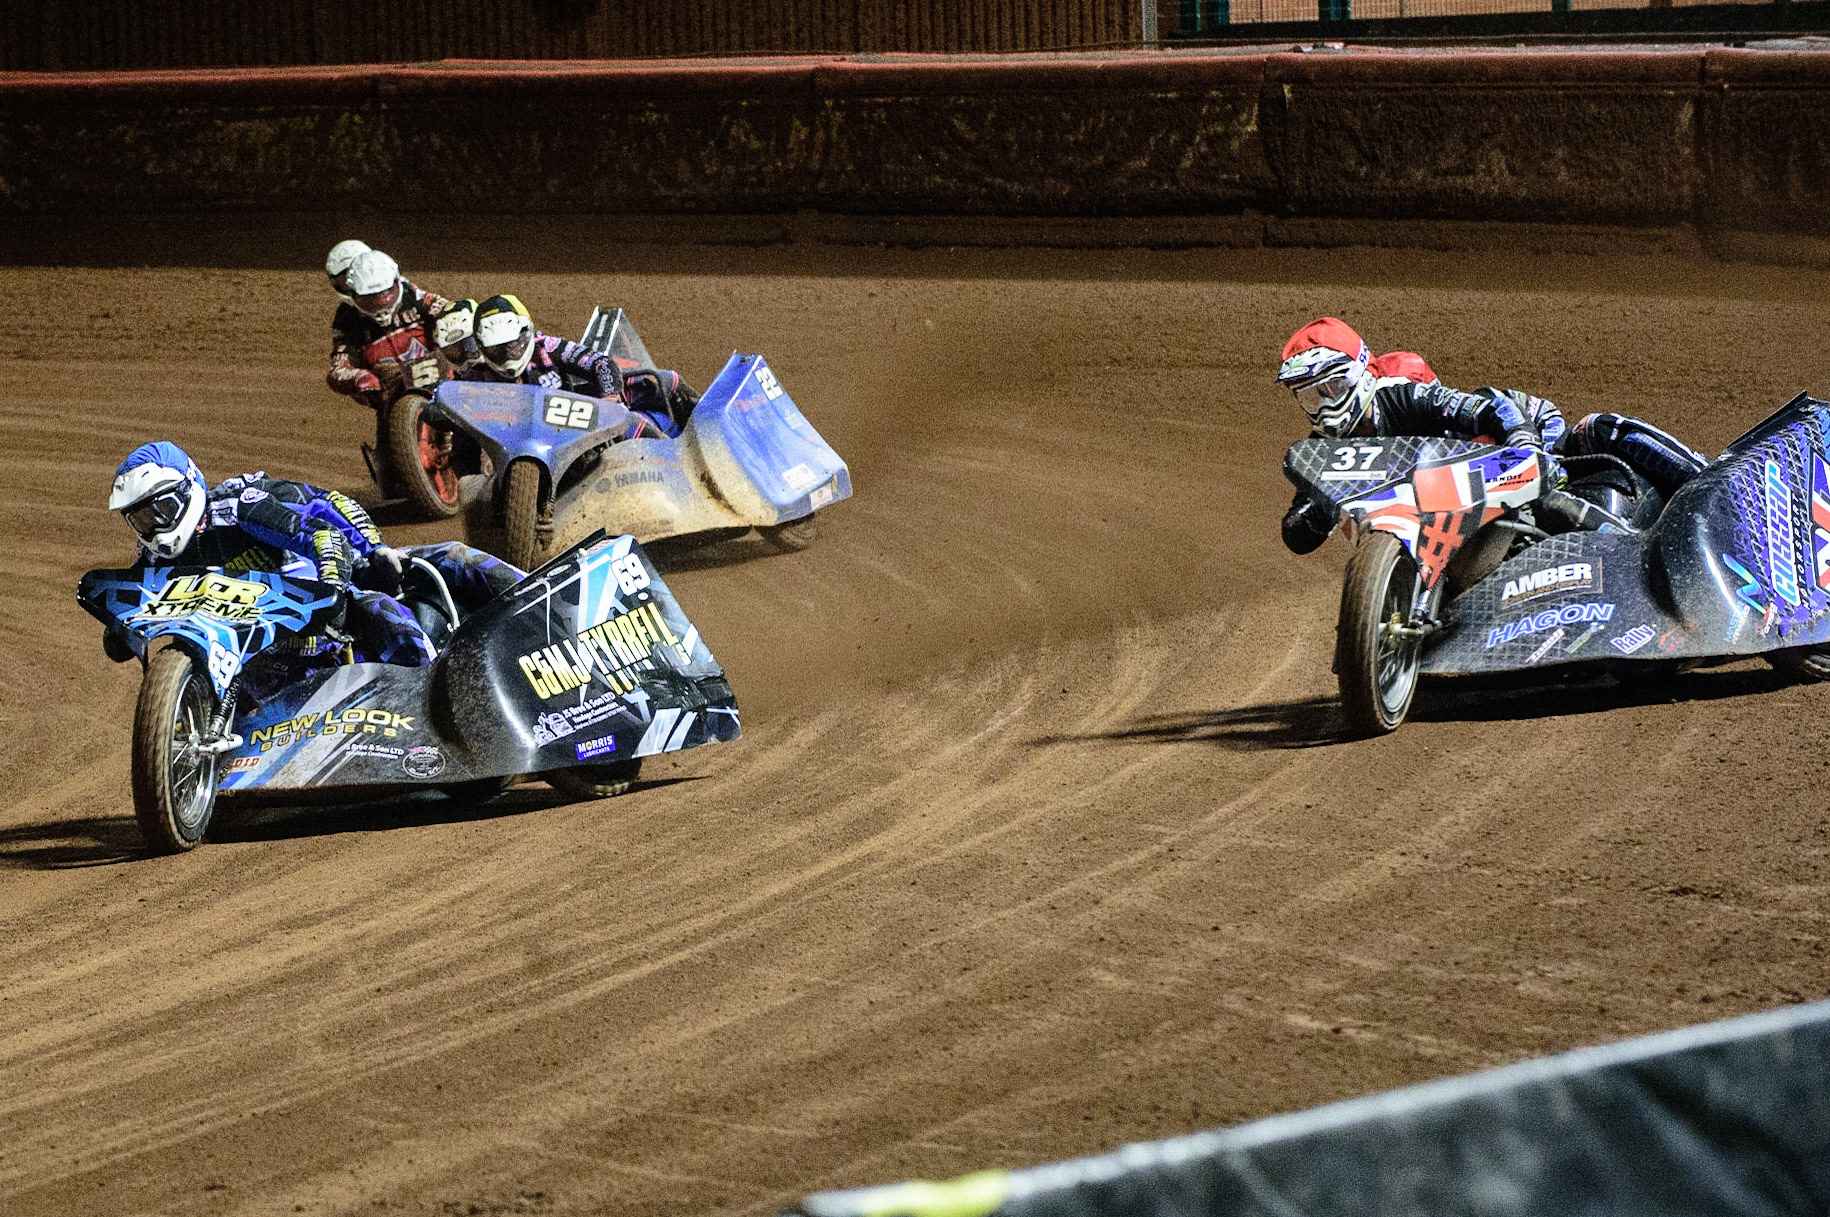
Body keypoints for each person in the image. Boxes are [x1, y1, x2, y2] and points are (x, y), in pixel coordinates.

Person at [1275, 317, 1707, 554]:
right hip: (1437, 529)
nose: (1324, 405)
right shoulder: (1322, 452)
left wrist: (1525, 449)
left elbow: (1491, 407)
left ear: (1359, 375)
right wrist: (1309, 517)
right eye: (1310, 396)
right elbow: (1298, 533)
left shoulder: (1403, 396)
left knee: (1597, 430)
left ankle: (1699, 492)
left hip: (1517, 458)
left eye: (1332, 387)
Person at [104, 443, 522, 680]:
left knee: (440, 567)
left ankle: (532, 604)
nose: (153, 527)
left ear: (189, 490)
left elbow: (323, 530)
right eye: (140, 519)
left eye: (161, 510)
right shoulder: (151, 560)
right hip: (257, 657)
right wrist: (123, 630)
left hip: (321, 612)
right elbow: (120, 633)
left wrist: (350, 575)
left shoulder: (238, 508)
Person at [461, 294, 698, 439]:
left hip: (577, 431)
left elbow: (602, 362)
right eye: (497, 349)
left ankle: (698, 437)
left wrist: (610, 399)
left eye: (513, 345)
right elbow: (447, 401)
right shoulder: (475, 379)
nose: (508, 354)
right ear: (481, 347)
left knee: (664, 381)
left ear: (527, 331)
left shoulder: (548, 347)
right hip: (517, 445)